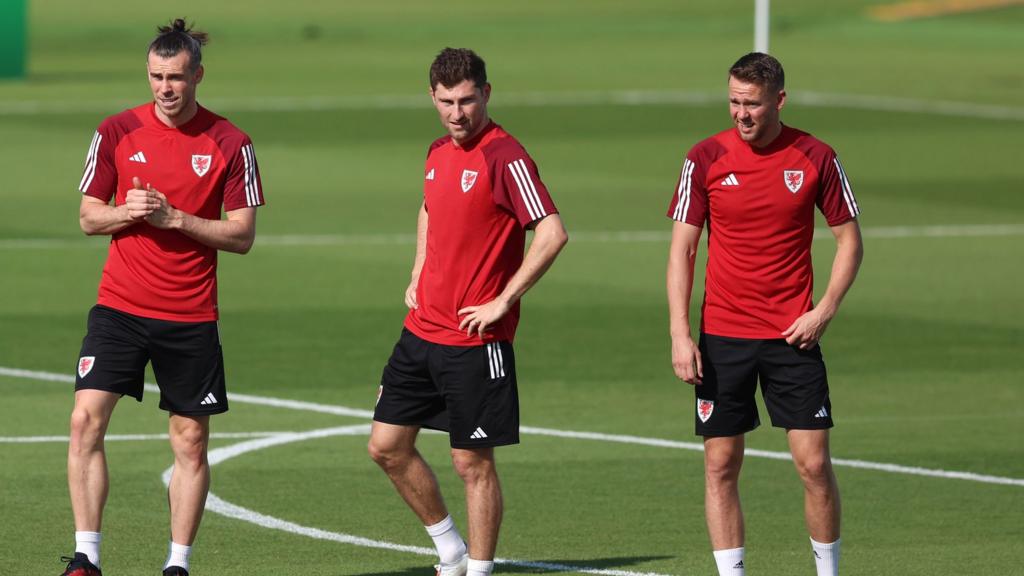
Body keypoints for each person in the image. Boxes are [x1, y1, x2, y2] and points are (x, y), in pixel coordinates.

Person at [62, 19, 264, 576]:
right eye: (156, 77)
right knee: (85, 421)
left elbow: (242, 235)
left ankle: (177, 564)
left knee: (191, 440)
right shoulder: (116, 131)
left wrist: (175, 218)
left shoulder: (231, 143)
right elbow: (87, 217)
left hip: (190, 314)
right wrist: (124, 213)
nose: (166, 88)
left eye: (176, 77)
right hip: (119, 308)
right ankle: (86, 557)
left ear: (198, 74)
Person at [368, 47, 568, 576]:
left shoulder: (507, 157)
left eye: (467, 101)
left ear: (486, 94)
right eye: (446, 102)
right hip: (420, 333)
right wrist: (416, 271)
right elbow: (430, 208)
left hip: (477, 343)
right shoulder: (437, 151)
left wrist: (504, 299)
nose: (458, 114)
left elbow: (551, 232)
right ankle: (451, 549)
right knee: (386, 447)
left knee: (471, 463)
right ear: (432, 98)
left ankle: (478, 569)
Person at [666, 52, 863, 576]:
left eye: (752, 104)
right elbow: (683, 250)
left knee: (814, 465)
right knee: (720, 464)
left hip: (792, 337)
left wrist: (824, 311)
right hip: (723, 338)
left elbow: (850, 243)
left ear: (779, 99)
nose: (741, 114)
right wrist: (680, 334)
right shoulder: (704, 158)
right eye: (733, 102)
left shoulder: (816, 156)